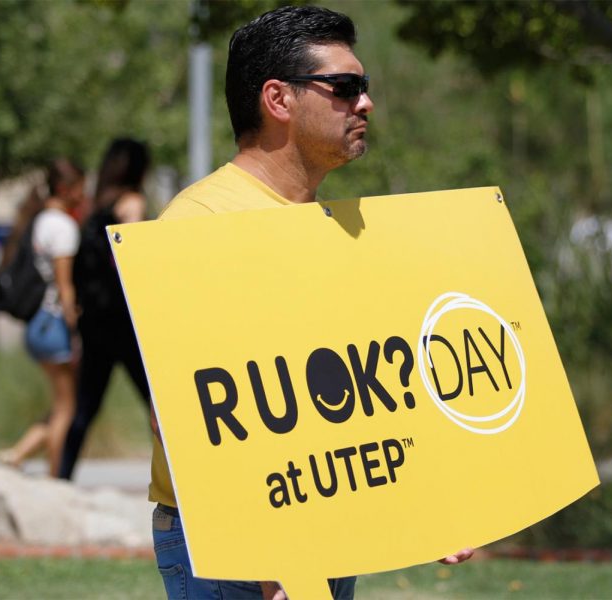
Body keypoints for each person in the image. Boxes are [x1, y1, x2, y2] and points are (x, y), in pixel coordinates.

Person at [150, 6, 472, 599]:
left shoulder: (328, 227)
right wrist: (277, 567)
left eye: (364, 87)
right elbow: (185, 418)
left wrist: (426, 510)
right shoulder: (201, 223)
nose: (366, 103)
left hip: (320, 533)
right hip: (241, 555)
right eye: (346, 88)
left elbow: (360, 400)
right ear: (278, 100)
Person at [58, 138, 153, 480]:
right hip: (125, 321)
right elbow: (134, 262)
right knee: (158, 404)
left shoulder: (97, 207)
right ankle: (181, 479)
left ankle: (62, 478)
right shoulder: (131, 204)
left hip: (96, 322)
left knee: (85, 406)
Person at [0, 158, 85, 477]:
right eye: (79, 188)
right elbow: (65, 288)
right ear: (65, 189)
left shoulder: (38, 221)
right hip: (54, 325)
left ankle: (17, 454)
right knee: (66, 410)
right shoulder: (62, 227)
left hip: (36, 324)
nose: (82, 195)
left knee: (59, 405)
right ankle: (54, 477)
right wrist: (74, 333)